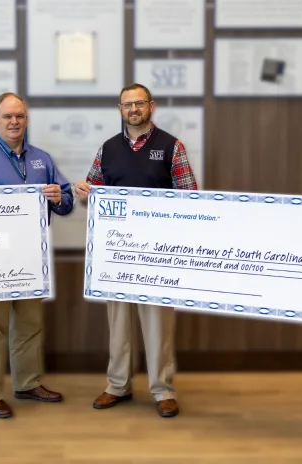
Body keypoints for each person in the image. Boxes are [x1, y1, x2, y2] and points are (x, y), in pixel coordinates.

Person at [74, 83, 198, 418]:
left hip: (158, 251)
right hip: (116, 250)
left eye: (139, 103)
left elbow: (191, 197)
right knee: (119, 322)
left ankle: (162, 389)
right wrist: (86, 193)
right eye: (127, 104)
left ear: (151, 107)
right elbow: (93, 192)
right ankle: (117, 385)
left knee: (157, 322)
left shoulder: (172, 146)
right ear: (120, 109)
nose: (133, 109)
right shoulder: (108, 148)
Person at [0, 92, 74, 419]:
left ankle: (28, 382)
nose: (14, 122)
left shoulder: (42, 160)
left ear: (26, 120)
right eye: (7, 116)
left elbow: (66, 202)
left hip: (31, 257)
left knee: (29, 323)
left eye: (19, 116)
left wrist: (57, 197)